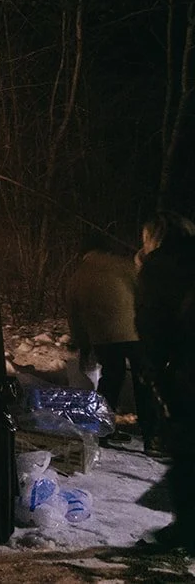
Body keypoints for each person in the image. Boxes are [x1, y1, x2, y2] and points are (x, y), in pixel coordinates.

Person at [136, 211, 195, 549]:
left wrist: (155, 376)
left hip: (188, 371)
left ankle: (186, 528)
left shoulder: (158, 267)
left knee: (186, 451)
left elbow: (152, 328)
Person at [67, 237, 155, 448]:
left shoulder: (77, 277)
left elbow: (74, 315)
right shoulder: (124, 265)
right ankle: (152, 437)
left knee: (111, 380)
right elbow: (145, 292)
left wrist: (82, 342)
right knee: (144, 382)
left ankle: (104, 432)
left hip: (103, 338)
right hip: (136, 332)